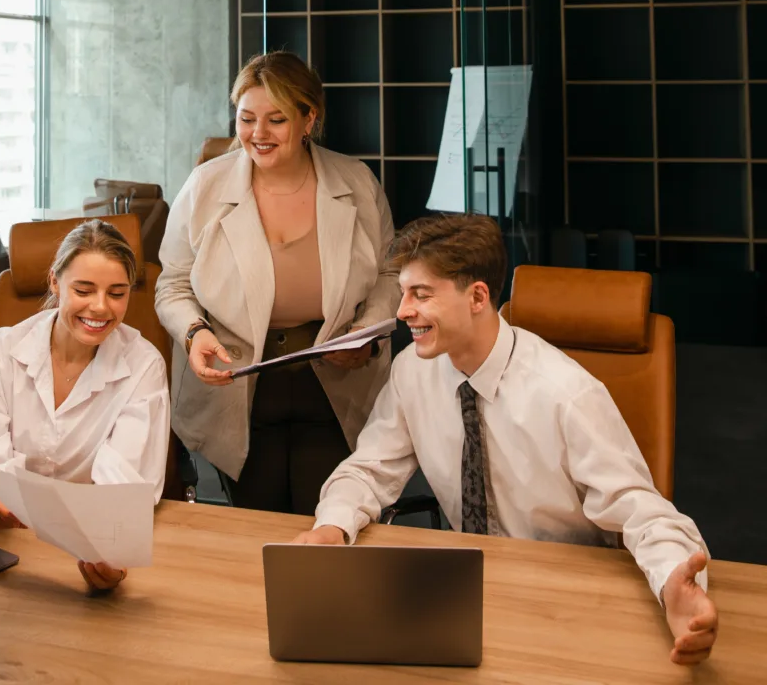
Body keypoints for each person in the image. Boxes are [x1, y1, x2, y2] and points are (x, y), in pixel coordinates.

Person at [293, 213, 718, 667]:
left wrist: (673, 579)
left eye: (421, 294)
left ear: (477, 296)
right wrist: (332, 526)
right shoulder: (412, 372)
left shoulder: (566, 395)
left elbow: (642, 509)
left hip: (566, 599)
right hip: (463, 595)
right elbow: (368, 469)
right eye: (403, 293)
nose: (401, 312)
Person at [156, 51, 399, 515]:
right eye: (246, 119)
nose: (258, 134)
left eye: (276, 120)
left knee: (326, 517)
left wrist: (364, 335)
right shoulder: (205, 186)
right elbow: (173, 285)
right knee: (254, 529)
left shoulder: (357, 182)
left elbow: (390, 275)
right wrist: (194, 332)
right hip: (240, 386)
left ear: (310, 118)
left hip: (333, 383)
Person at [0, 219, 170, 593]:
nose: (100, 308)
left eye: (117, 293)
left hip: (83, 556)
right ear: (54, 282)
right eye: (84, 290)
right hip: (2, 556)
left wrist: (109, 551)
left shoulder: (143, 365)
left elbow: (126, 490)